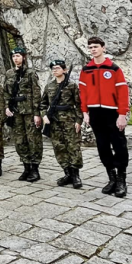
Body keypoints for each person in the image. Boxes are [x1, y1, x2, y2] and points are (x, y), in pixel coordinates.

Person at [79, 37, 130, 197]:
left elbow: (123, 93)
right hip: (95, 113)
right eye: (90, 47)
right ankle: (111, 178)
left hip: (112, 112)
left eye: (96, 46)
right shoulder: (86, 70)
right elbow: (83, 93)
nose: (93, 49)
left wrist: (122, 114)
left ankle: (121, 179)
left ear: (103, 48)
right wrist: (85, 112)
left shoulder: (114, 69)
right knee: (102, 146)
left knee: (119, 145)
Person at [42, 59, 83, 189]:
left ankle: (75, 175)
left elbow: (79, 104)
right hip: (54, 121)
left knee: (73, 147)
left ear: (64, 70)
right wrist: (44, 115)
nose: (55, 70)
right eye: (53, 68)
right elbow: (43, 103)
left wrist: (78, 121)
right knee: (59, 147)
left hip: (69, 120)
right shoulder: (49, 86)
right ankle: (67, 173)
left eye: (58, 68)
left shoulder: (71, 86)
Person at [4, 46, 43, 182]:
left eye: (18, 56)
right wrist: (7, 107)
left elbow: (36, 93)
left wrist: (37, 113)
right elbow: (6, 92)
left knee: (33, 140)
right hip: (16, 112)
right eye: (14, 56)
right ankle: (26, 167)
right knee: (20, 140)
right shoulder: (9, 73)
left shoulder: (30, 73)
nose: (16, 58)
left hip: (29, 111)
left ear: (24, 57)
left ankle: (35, 169)